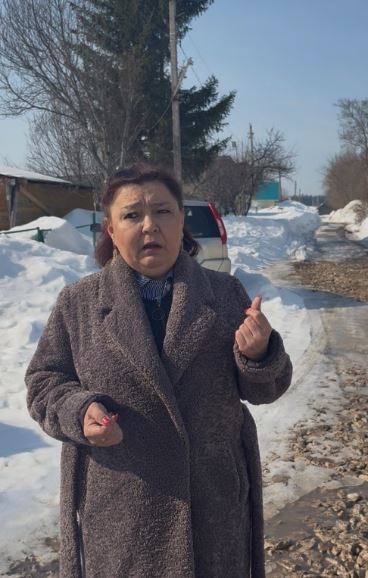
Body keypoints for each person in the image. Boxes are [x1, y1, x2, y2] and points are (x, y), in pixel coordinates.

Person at [25, 163, 293, 578]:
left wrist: (259, 354)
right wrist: (79, 411)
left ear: (181, 220)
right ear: (111, 230)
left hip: (213, 508)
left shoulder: (224, 293)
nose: (150, 225)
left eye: (163, 211)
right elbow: (44, 383)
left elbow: (264, 390)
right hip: (122, 515)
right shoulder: (78, 304)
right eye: (132, 215)